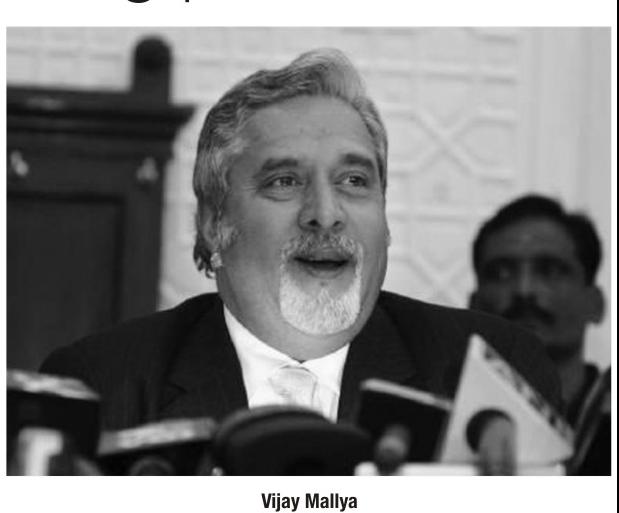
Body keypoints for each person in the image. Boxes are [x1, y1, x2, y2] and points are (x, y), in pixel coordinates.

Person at [41, 49, 560, 472]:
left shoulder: (490, 373)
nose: (325, 215)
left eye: (354, 181)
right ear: (213, 222)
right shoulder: (100, 387)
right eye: (284, 181)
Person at [470, 194, 610, 475]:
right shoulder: (434, 422)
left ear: (595, 304)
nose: (524, 290)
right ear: (473, 306)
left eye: (551, 271)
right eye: (501, 273)